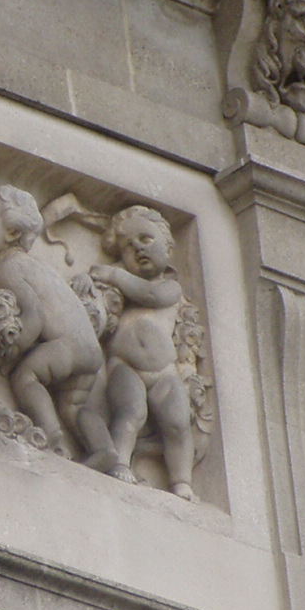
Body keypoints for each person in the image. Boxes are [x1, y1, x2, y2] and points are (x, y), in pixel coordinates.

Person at [0, 184, 102, 457]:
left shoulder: (10, 268)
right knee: (73, 407)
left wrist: (11, 351)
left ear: (12, 233)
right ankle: (104, 451)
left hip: (66, 347)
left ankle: (51, 436)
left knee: (26, 376)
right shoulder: (39, 267)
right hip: (91, 351)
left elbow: (34, 317)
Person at [79, 206, 196, 500]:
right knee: (131, 412)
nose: (138, 248)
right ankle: (119, 463)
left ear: (168, 247)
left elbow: (149, 295)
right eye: (128, 247)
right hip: (125, 366)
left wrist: (115, 274)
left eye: (146, 239)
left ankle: (181, 481)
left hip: (164, 372)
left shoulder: (169, 287)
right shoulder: (121, 290)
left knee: (178, 423)